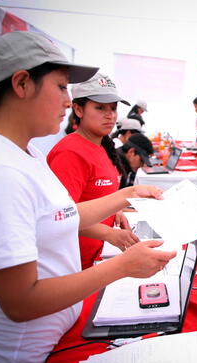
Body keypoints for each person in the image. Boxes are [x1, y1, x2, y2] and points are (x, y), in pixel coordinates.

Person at [0, 31, 175, 363]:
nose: (65, 101)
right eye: (60, 87)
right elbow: (21, 301)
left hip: (50, 339)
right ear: (22, 83)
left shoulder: (21, 151)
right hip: (16, 359)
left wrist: (126, 195)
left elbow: (58, 214)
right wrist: (122, 267)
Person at [47, 72, 137, 270]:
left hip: (95, 257)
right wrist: (109, 234)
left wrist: (117, 211)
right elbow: (59, 217)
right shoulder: (69, 153)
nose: (110, 115)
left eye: (113, 108)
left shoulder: (101, 146)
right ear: (78, 109)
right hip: (73, 264)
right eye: (100, 107)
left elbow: (98, 194)